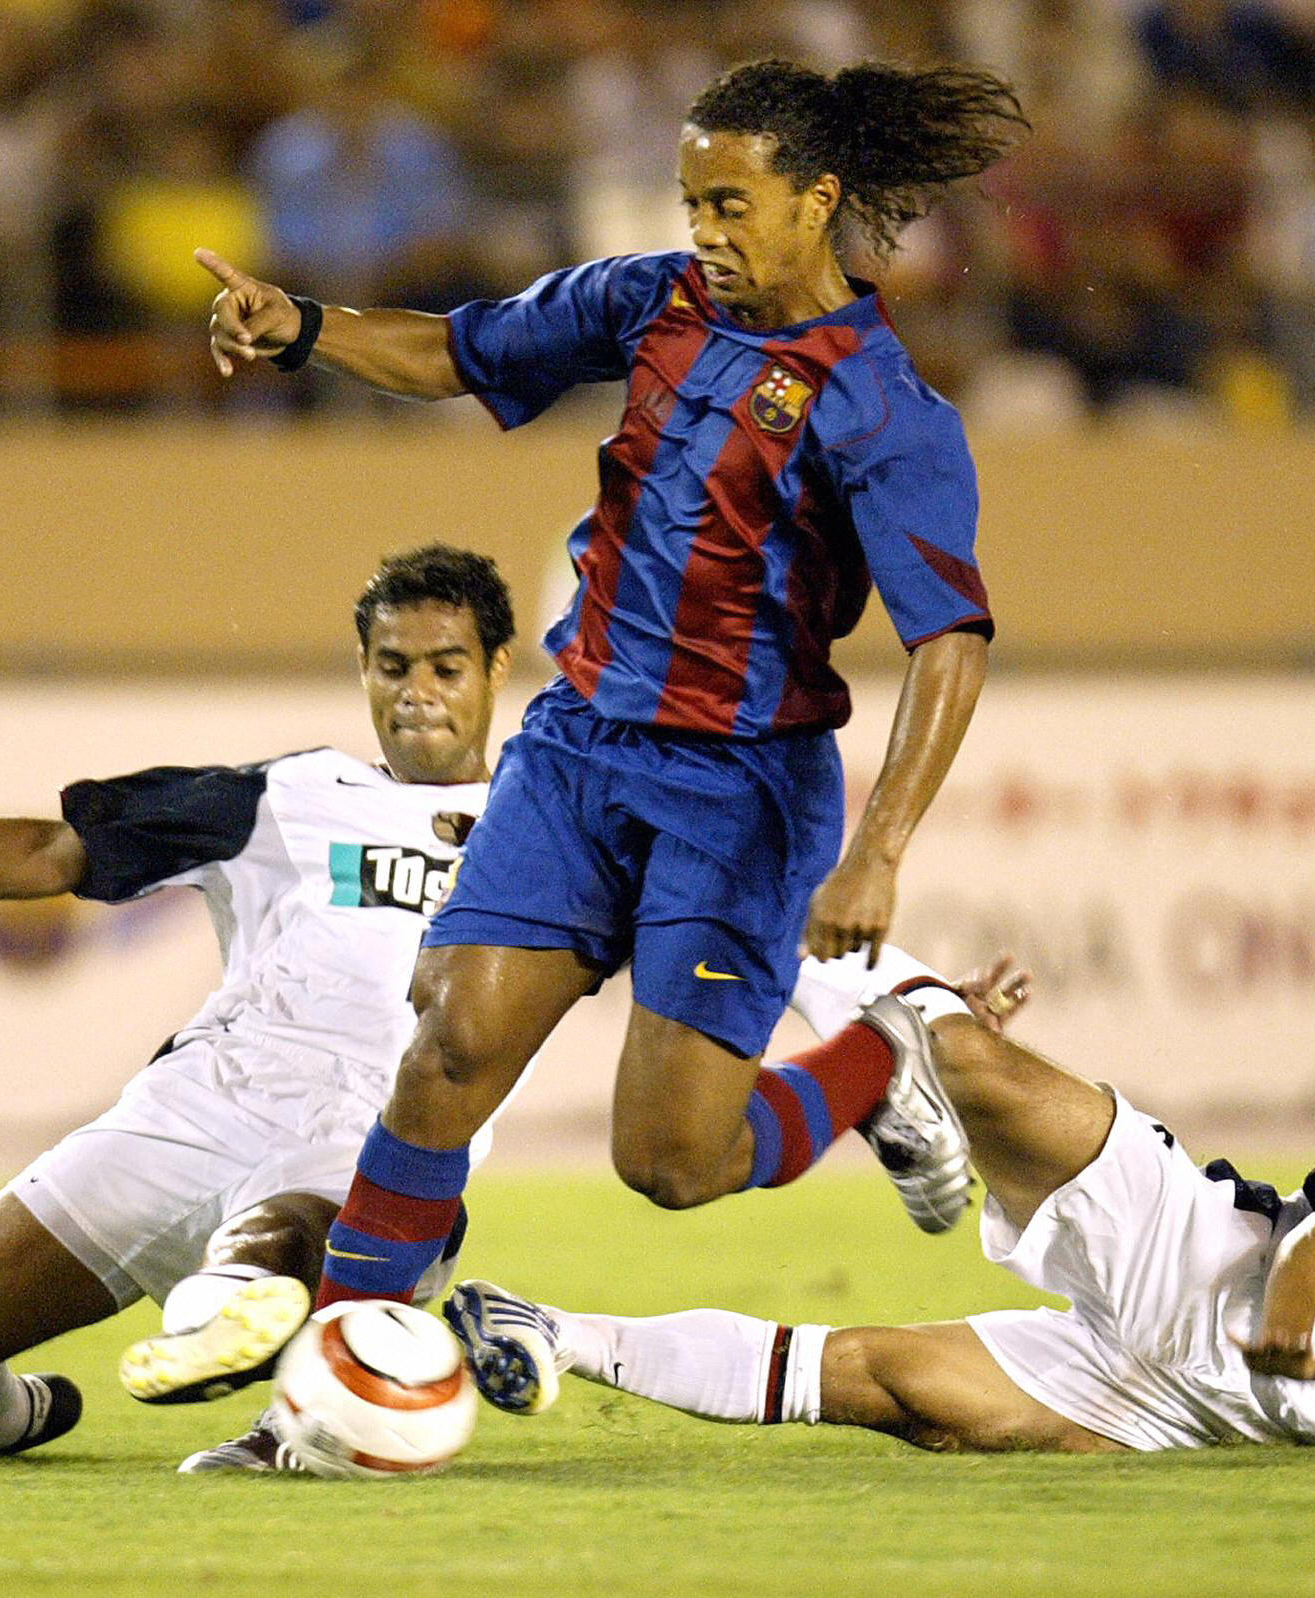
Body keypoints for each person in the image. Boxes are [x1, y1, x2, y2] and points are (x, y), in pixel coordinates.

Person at [179, 58, 1032, 1376]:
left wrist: (881, 851)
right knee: (452, 1041)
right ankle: (334, 1390)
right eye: (694, 200)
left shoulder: (883, 404)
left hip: (740, 789)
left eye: (734, 203)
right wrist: (299, 325)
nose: (706, 229)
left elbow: (952, 642)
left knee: (672, 1161)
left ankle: (881, 1056)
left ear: (819, 199)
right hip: (579, 746)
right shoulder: (650, 300)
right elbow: (457, 350)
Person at [0, 546, 520, 1468]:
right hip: (198, 1109)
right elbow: (48, 851)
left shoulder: (545, 832)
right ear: (363, 669)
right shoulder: (288, 797)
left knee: (278, 1237)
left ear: (494, 671)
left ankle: (234, 1317)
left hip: (379, 1137)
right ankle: (13, 1415)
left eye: (446, 667)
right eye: (393, 666)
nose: (417, 692)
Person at [452, 990, 1315, 1454]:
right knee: (969, 1052)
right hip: (1205, 1250)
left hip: (1183, 1409)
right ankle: (897, 1092)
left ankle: (550, 1330)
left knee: (887, 1383)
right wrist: (1292, 1309)